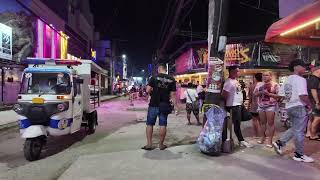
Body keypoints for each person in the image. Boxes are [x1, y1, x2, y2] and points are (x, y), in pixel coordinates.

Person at [274, 59, 314, 163]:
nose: (305, 68)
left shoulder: (287, 79)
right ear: (296, 67)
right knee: (299, 131)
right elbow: (303, 96)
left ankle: (280, 142)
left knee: (295, 128)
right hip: (299, 106)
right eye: (303, 66)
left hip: (289, 107)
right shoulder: (301, 79)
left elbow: (281, 96)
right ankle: (299, 154)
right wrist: (310, 105)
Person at [142, 64, 178, 151]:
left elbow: (147, 90)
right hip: (165, 105)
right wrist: (176, 106)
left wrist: (151, 91)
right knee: (163, 124)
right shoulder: (172, 79)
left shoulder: (154, 77)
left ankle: (149, 144)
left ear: (159, 70)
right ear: (165, 70)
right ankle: (161, 145)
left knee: (150, 124)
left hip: (153, 104)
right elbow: (173, 94)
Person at [222, 66, 253, 148]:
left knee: (247, 117)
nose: (239, 73)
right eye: (237, 71)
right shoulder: (228, 82)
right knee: (237, 124)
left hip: (239, 104)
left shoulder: (235, 80)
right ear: (232, 72)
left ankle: (240, 139)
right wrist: (226, 105)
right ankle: (241, 140)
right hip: (233, 105)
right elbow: (224, 95)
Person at [254, 72, 280, 147]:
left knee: (270, 123)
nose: (264, 77)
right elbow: (255, 94)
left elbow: (279, 96)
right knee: (262, 123)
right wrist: (261, 92)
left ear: (271, 76)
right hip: (261, 106)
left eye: (266, 75)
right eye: (263, 75)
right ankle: (262, 137)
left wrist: (269, 94)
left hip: (271, 106)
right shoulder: (259, 84)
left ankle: (270, 140)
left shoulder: (275, 84)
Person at [306, 62, 320, 141]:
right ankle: (313, 135)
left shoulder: (312, 78)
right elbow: (313, 90)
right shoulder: (314, 79)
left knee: (312, 118)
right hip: (314, 102)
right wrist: (317, 102)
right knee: (317, 118)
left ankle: (309, 133)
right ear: (317, 70)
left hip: (312, 101)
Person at [249, 73, 263, 138]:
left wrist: (248, 105)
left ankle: (255, 135)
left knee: (254, 120)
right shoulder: (264, 85)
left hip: (254, 105)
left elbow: (250, 97)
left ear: (255, 78)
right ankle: (262, 134)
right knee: (262, 121)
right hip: (262, 105)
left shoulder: (252, 86)